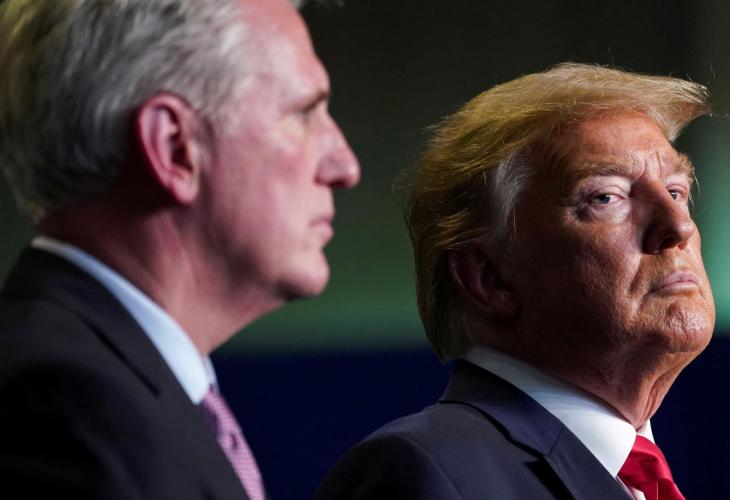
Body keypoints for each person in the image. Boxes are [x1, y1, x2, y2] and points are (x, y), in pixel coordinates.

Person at [0, 0, 359, 498]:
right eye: (303, 113)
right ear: (174, 148)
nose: (345, 167)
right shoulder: (66, 411)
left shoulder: (108, 387)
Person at [315, 63, 713, 500]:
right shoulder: (422, 471)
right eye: (606, 197)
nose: (679, 226)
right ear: (489, 277)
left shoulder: (634, 476)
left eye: (675, 192)